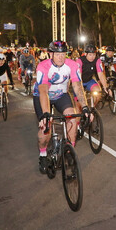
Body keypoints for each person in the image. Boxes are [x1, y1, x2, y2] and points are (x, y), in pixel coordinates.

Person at [33, 41, 90, 174]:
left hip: (61, 96)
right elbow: (43, 91)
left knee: (73, 119)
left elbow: (77, 86)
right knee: (45, 130)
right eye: (57, 54)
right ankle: (42, 155)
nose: (61, 57)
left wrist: (85, 107)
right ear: (51, 54)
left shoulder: (72, 65)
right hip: (42, 96)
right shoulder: (43, 66)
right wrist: (46, 114)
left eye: (63, 53)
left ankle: (69, 150)